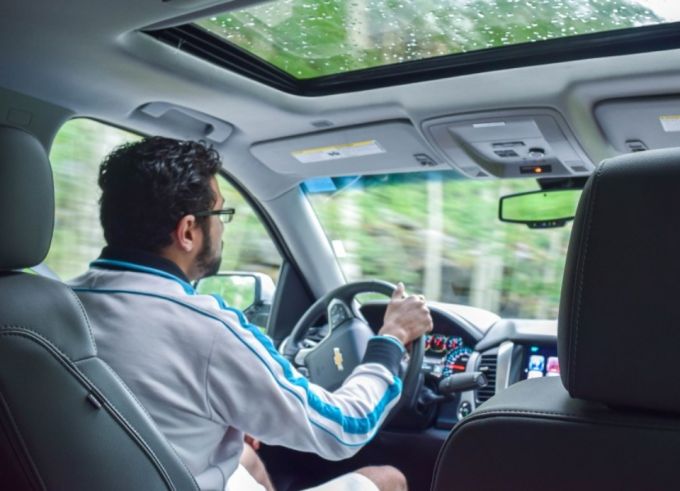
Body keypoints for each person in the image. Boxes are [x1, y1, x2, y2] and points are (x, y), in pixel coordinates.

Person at [69, 137, 433, 491]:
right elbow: (345, 428)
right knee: (387, 479)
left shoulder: (54, 305)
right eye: (220, 213)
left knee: (243, 455)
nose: (223, 227)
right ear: (188, 231)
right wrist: (391, 340)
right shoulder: (206, 328)